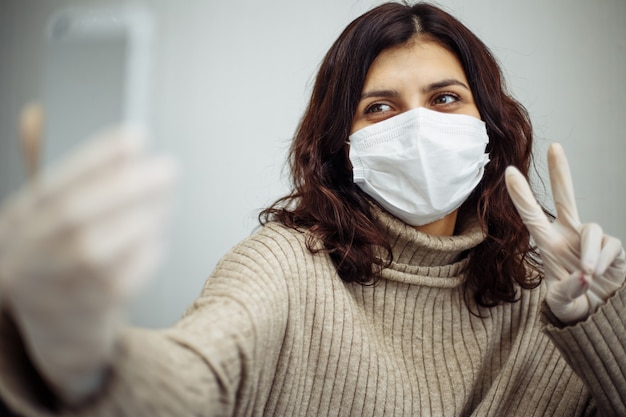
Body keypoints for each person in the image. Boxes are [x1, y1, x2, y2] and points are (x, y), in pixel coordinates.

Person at [0, 1, 624, 416]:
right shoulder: (287, 265)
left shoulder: (555, 294)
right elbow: (193, 383)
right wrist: (81, 355)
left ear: (487, 124)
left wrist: (603, 325)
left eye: (444, 98)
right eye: (379, 107)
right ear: (341, 144)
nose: (417, 126)